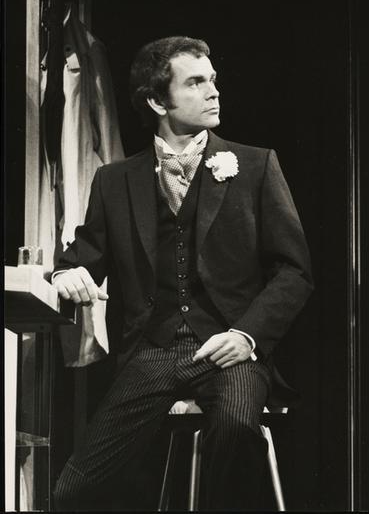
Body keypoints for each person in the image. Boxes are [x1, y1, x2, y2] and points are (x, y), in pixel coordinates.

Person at [52, 36, 313, 510]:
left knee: (235, 430)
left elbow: (294, 271)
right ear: (157, 101)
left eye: (212, 80)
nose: (213, 91)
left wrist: (247, 336)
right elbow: (84, 257)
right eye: (195, 83)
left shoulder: (255, 165)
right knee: (75, 488)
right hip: (152, 350)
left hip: (230, 349)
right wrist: (64, 276)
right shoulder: (115, 180)